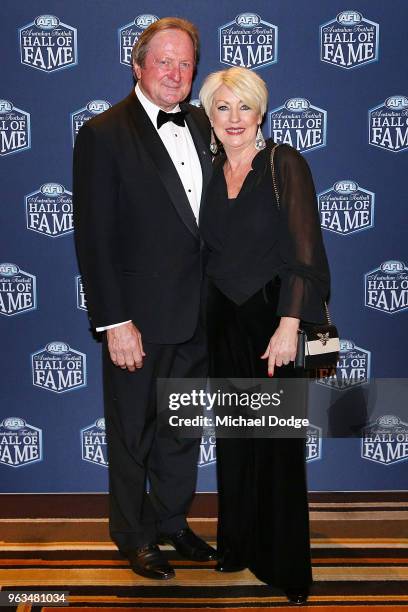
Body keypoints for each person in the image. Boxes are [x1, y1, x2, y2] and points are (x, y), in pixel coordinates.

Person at [73, 17, 215, 580]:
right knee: (132, 431)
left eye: (185, 64)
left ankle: (172, 522)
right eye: (165, 61)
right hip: (138, 316)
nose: (176, 73)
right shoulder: (103, 133)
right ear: (138, 65)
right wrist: (114, 321)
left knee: (181, 431)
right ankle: (133, 535)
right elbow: (94, 237)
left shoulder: (207, 123)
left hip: (201, 311)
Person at [199, 67, 330, 604]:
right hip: (221, 319)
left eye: (244, 107)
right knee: (234, 440)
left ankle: (287, 566)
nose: (234, 119)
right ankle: (239, 545)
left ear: (261, 112)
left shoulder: (284, 164)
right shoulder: (205, 169)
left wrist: (289, 325)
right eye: (222, 107)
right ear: (209, 114)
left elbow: (306, 253)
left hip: (275, 320)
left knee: (275, 445)